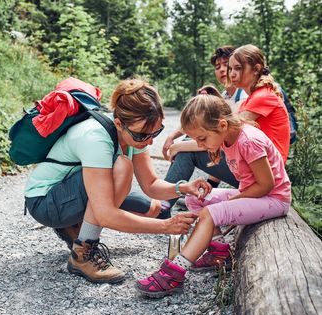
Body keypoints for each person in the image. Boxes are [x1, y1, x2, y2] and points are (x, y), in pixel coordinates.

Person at [24, 79, 206, 284]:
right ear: (119, 123)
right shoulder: (95, 138)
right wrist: (166, 226)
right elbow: (106, 215)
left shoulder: (133, 133)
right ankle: (83, 255)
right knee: (123, 167)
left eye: (156, 132)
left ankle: (75, 225)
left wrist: (183, 188)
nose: (150, 141)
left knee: (154, 209)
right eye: (144, 135)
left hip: (71, 190)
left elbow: (151, 184)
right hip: (45, 202)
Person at [136, 90, 291, 298]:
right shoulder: (225, 137)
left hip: (273, 199)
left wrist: (234, 201)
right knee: (194, 197)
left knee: (210, 213)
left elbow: (266, 184)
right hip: (254, 194)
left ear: (222, 125)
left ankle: (175, 272)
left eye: (202, 139)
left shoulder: (248, 141)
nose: (200, 145)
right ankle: (220, 251)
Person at [160, 46, 247, 215]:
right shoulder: (226, 95)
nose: (222, 70)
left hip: (256, 173)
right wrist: (173, 135)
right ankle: (174, 197)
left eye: (227, 66)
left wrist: (178, 147)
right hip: (240, 163)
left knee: (187, 150)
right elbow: (201, 126)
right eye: (217, 67)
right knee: (190, 138)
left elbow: (223, 138)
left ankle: (162, 204)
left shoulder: (244, 95)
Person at [228, 44, 290, 164]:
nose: (232, 74)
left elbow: (228, 131)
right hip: (258, 162)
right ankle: (209, 183)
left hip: (270, 170)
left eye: (238, 68)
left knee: (189, 153)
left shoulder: (263, 96)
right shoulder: (251, 98)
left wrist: (179, 147)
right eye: (230, 69)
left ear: (256, 69)